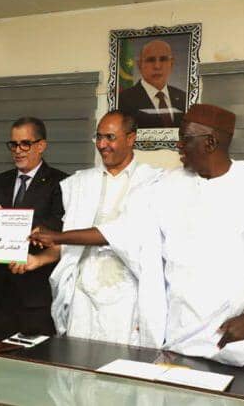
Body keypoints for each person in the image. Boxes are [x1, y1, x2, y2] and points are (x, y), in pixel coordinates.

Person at [30, 104, 244, 371]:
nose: (178, 146)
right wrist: (59, 236)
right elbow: (122, 231)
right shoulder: (170, 186)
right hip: (181, 336)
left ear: (210, 142)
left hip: (238, 339)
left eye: (185, 138)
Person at [10, 110, 165, 347]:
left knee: (118, 365)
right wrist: (37, 260)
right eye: (98, 137)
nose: (102, 145)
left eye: (110, 137)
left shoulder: (152, 182)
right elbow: (69, 244)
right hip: (81, 296)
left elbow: (119, 233)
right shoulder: (81, 182)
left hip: (125, 299)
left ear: (131, 138)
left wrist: (57, 236)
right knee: (76, 363)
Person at [0, 116, 67, 335]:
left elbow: (56, 227)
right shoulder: (0, 181)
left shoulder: (61, 183)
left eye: (25, 144)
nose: (18, 150)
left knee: (37, 354)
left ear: (41, 145)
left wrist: (8, 222)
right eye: (13, 144)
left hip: (36, 295)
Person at [118, 39, 186, 128]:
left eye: (163, 59)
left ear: (171, 64)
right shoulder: (124, 99)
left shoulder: (183, 97)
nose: (157, 66)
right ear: (139, 65)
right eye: (150, 60)